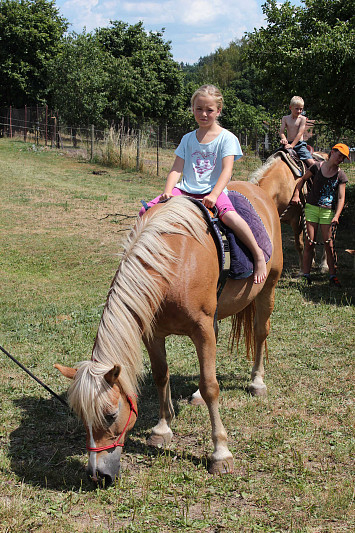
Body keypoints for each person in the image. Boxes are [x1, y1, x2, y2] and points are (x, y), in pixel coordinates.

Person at [139, 84, 267, 284]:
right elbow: (176, 169)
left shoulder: (227, 138)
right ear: (192, 108)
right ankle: (144, 259)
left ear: (218, 111)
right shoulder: (188, 139)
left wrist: (215, 195)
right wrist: (167, 192)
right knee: (145, 212)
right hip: (185, 189)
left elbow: (227, 171)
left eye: (209, 110)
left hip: (211, 190)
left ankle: (257, 254)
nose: (204, 114)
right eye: (199, 108)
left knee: (231, 218)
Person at [291, 143, 349, 287]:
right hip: (311, 208)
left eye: (343, 157)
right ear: (332, 152)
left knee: (329, 245)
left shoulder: (341, 175)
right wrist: (296, 195)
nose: (341, 159)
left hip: (327, 211)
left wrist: (336, 215)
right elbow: (302, 180)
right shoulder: (317, 167)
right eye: (339, 155)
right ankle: (306, 275)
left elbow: (341, 198)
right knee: (309, 243)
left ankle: (332, 276)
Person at [280, 96, 315, 167]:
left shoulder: (302, 119)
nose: (299, 111)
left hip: (299, 145)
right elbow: (281, 132)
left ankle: (317, 177)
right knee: (272, 159)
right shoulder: (285, 118)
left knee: (312, 164)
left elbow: (300, 133)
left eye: (301, 109)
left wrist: (292, 146)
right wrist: (283, 138)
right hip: (287, 144)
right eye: (297, 109)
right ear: (290, 108)